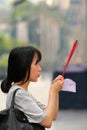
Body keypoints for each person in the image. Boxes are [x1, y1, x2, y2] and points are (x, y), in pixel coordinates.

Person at [1, 46, 64, 129]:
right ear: (24, 66)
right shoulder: (20, 94)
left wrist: (55, 91)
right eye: (36, 63)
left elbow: (52, 116)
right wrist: (52, 91)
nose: (40, 68)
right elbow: (47, 122)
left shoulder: (21, 92)